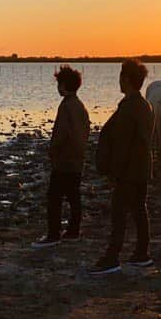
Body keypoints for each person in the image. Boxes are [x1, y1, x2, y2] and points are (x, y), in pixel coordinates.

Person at [90, 59, 156, 275]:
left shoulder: (130, 107)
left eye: (120, 77)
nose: (118, 81)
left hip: (128, 170)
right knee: (139, 209)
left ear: (126, 80)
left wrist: (114, 172)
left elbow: (123, 144)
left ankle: (112, 257)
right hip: (142, 168)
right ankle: (141, 253)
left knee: (119, 213)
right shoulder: (145, 105)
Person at [32, 64, 90, 248]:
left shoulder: (66, 106)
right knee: (74, 196)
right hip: (78, 159)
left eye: (59, 84)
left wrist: (53, 150)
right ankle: (73, 230)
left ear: (64, 85)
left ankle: (53, 234)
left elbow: (61, 133)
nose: (57, 88)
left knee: (54, 197)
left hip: (65, 160)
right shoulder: (80, 106)